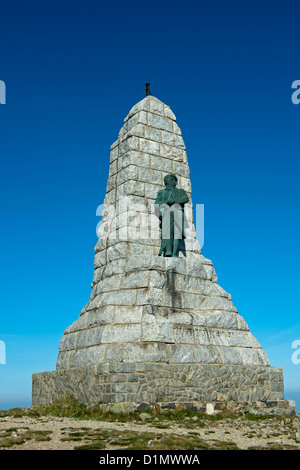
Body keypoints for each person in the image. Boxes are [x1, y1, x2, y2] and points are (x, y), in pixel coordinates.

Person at [154, 174, 189, 257]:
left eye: (174, 179)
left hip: (177, 213)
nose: (174, 181)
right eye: (171, 179)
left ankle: (174, 253)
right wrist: (160, 212)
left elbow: (185, 199)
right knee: (167, 232)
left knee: (176, 233)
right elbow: (156, 204)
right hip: (166, 214)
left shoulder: (180, 191)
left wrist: (174, 200)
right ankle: (168, 251)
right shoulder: (162, 192)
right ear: (166, 181)